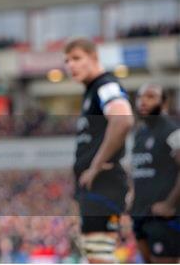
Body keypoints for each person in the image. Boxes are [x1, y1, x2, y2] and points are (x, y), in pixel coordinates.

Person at [64, 37, 134, 263]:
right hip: (96, 189)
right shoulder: (91, 92)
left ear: (94, 58)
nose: (70, 65)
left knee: (100, 257)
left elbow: (122, 119)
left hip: (104, 185)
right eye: (67, 60)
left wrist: (94, 167)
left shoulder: (105, 85)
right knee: (96, 256)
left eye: (76, 58)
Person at [130, 83, 179, 263]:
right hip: (140, 213)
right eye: (140, 97)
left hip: (163, 216)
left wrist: (170, 203)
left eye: (150, 97)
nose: (143, 101)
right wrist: (132, 196)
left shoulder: (172, 131)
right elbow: (139, 171)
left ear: (164, 103)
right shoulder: (139, 134)